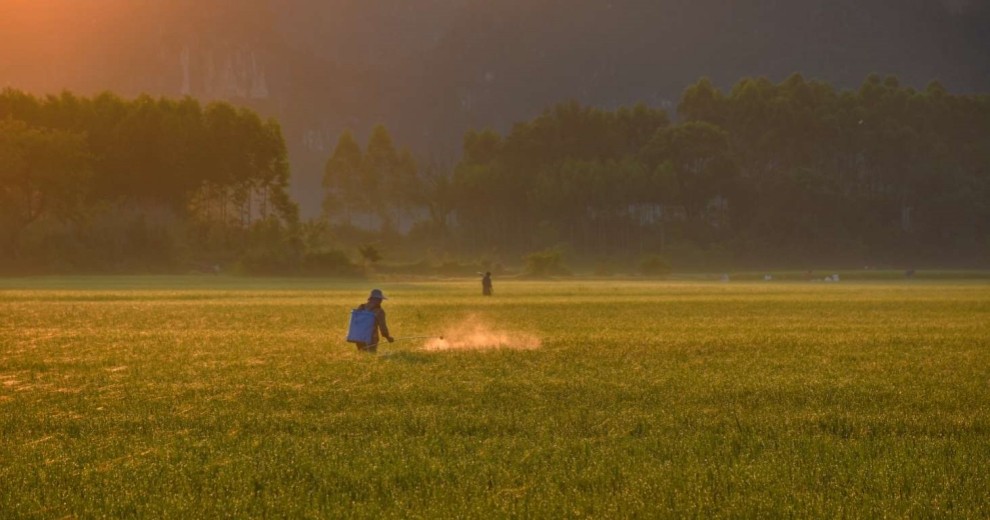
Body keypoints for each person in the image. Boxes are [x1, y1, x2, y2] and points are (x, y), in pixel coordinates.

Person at [355, 289, 393, 353]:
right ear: (375, 299)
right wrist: (388, 337)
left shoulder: (361, 307)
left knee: (362, 355)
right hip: (372, 338)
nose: (381, 301)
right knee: (371, 355)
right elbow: (382, 327)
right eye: (379, 299)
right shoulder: (379, 311)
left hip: (358, 337)